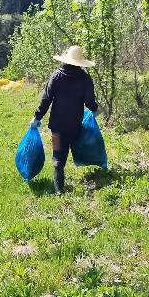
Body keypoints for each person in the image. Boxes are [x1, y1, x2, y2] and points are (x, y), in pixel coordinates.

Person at [30, 46, 99, 195]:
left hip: (57, 126)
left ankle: (59, 190)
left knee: (58, 156)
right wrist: (96, 109)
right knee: (74, 148)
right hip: (75, 125)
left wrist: (37, 117)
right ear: (81, 62)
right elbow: (89, 102)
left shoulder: (56, 76)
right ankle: (90, 172)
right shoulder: (85, 79)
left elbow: (46, 100)